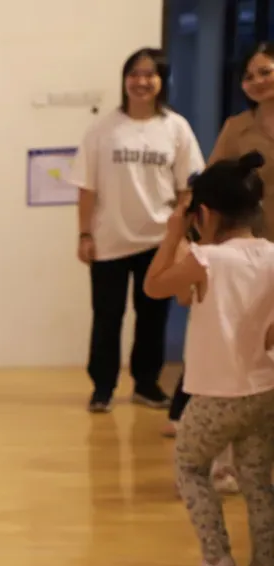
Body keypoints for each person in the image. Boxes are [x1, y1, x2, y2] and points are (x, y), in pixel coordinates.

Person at [144, 151, 274, 566]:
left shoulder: (206, 259)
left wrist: (172, 234)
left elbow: (154, 286)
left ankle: (217, 560)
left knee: (190, 465)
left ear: (204, 214)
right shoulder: (271, 255)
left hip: (219, 392)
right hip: (265, 388)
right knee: (257, 479)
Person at [70, 47, 204, 413]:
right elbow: (86, 187)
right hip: (109, 240)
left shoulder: (176, 127)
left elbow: (187, 188)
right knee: (107, 317)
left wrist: (181, 237)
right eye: (134, 74)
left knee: (153, 318)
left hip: (158, 241)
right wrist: (84, 235)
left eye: (150, 74)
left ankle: (146, 384)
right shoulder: (103, 129)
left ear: (162, 81)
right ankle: (102, 387)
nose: (141, 81)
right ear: (124, 79)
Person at [209, 42, 274, 236]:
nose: (257, 81)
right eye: (248, 77)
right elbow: (212, 182)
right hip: (258, 241)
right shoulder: (236, 127)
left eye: (265, 72)